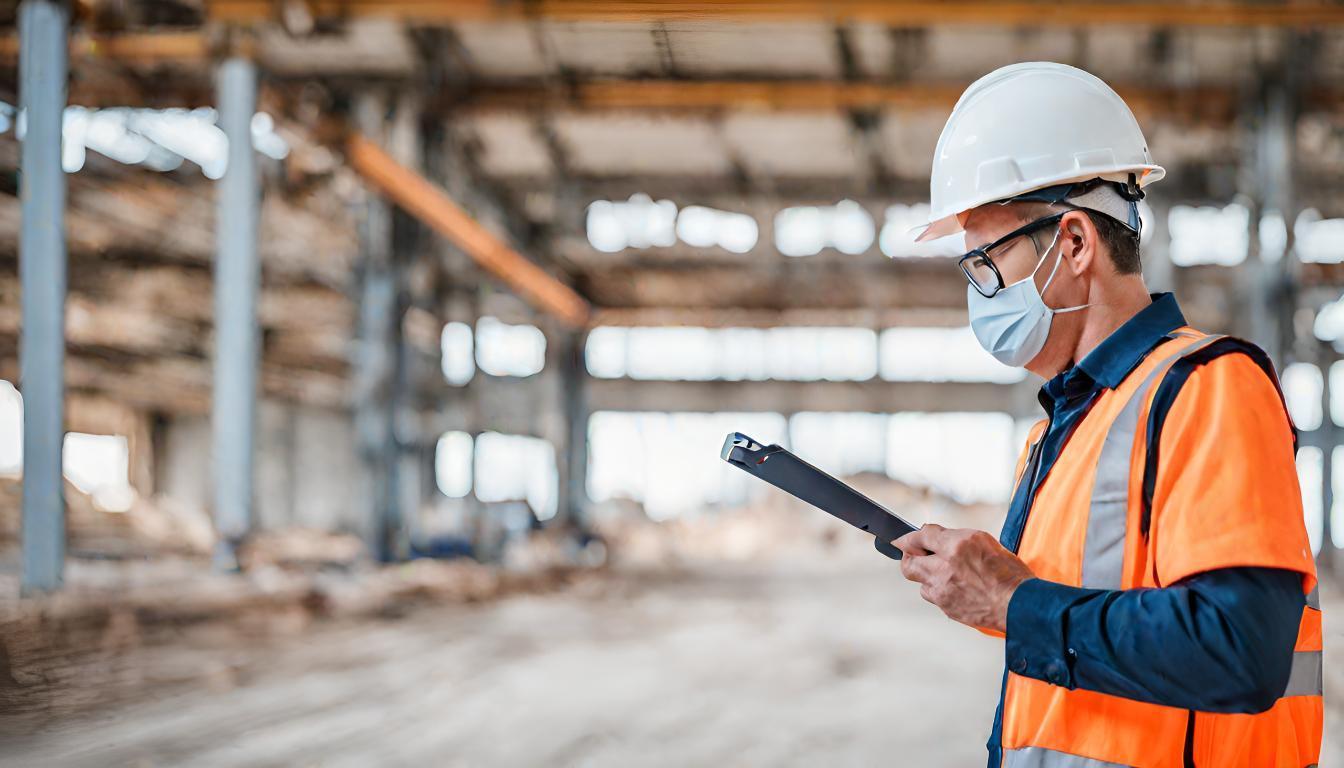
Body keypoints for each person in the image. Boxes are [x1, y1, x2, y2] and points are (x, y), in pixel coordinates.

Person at [892, 62, 1323, 767]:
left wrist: (1013, 603)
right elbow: (1066, 627)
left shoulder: (1208, 388)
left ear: (1073, 243)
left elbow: (1242, 650)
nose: (977, 291)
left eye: (985, 263)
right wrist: (980, 585)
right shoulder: (1061, 428)